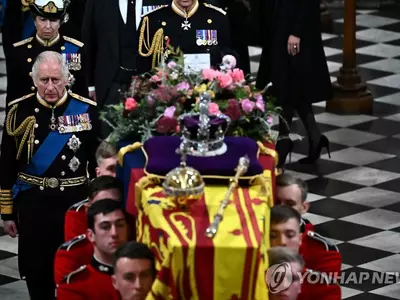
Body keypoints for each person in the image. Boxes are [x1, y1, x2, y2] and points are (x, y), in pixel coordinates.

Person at [0, 50, 98, 300]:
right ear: (34, 80)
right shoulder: (18, 111)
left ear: (67, 78)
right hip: (34, 205)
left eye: (56, 79)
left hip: (73, 204)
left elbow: (98, 161)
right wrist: (7, 212)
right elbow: (7, 165)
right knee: (37, 272)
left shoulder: (86, 109)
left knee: (74, 270)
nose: (50, 87)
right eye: (44, 80)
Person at [256, 0, 332, 172]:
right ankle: (314, 137)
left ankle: (283, 141)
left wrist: (296, 32)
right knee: (293, 86)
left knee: (288, 85)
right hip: (279, 23)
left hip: (294, 30)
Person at [82, 0, 169, 110]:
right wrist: (90, 85)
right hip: (110, 85)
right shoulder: (98, 3)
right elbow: (89, 42)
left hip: (151, 85)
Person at [6, 0, 88, 106]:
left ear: (61, 22)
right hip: (30, 115)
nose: (48, 26)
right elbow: (13, 96)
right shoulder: (20, 51)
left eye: (53, 20)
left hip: (64, 114)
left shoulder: (75, 50)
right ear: (34, 21)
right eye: (43, 20)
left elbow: (81, 94)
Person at [57, 199, 129, 299]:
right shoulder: (74, 286)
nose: (114, 233)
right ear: (91, 235)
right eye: (105, 227)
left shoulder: (143, 272)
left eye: (120, 225)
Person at [136, 0, 233, 74]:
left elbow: (229, 52)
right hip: (167, 90)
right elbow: (143, 64)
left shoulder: (217, 17)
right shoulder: (153, 19)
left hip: (209, 88)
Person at [270, 206, 341, 299]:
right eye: (273, 236)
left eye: (290, 235)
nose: (282, 241)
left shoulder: (321, 286)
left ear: (300, 239)